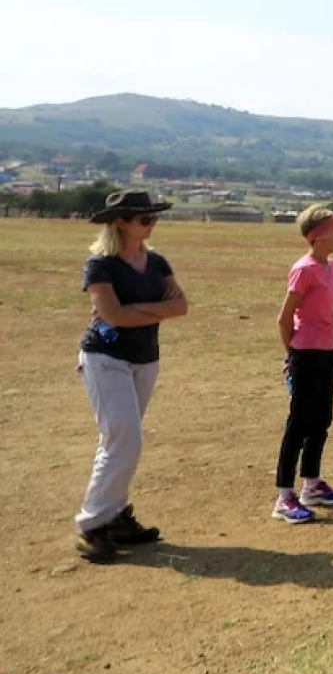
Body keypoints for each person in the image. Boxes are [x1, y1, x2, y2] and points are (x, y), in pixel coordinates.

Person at [73, 189, 189, 562]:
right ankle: (92, 524)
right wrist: (155, 310)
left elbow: (181, 306)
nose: (152, 223)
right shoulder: (100, 265)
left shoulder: (156, 261)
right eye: (145, 218)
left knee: (122, 440)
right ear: (121, 222)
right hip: (106, 358)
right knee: (123, 438)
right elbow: (112, 316)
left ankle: (117, 516)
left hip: (145, 358)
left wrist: (134, 309)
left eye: (153, 217)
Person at [274, 205, 333, 524]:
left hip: (327, 350)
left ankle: (312, 484)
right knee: (299, 423)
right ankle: (284, 496)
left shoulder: (332, 267)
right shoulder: (304, 269)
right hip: (306, 353)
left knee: (322, 418)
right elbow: (284, 319)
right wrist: (292, 356)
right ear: (318, 237)